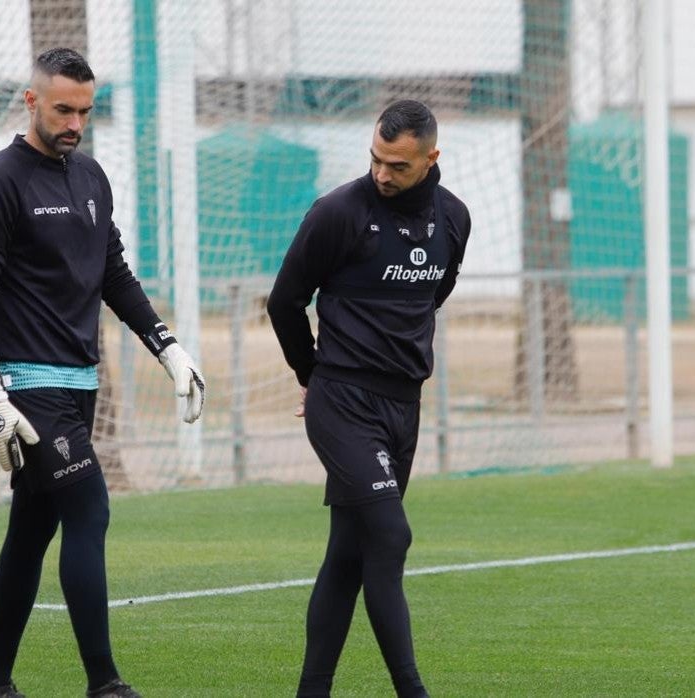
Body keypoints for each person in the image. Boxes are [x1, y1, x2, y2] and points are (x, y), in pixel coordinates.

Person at [0, 47, 206, 698]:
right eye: (63, 109)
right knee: (88, 509)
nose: (74, 122)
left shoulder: (91, 177)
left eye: (85, 112)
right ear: (32, 101)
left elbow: (112, 273)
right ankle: (106, 684)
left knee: (32, 531)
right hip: (27, 387)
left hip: (79, 384)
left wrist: (167, 346)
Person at [266, 99, 472, 698]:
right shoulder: (338, 211)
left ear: (432, 158)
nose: (383, 174)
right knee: (390, 535)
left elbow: (434, 295)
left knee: (350, 555)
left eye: (399, 165)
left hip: (402, 406)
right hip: (343, 401)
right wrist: (316, 377)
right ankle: (412, 689)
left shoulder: (454, 217)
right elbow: (284, 303)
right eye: (376, 159)